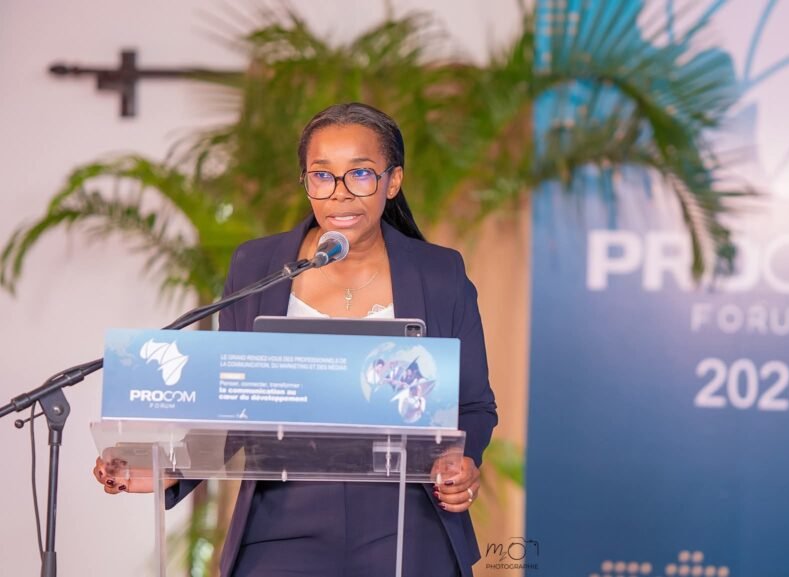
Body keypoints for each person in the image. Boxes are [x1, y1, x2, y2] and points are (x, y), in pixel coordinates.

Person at [93, 102, 499, 576]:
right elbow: (233, 406)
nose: (339, 193)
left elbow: (474, 406)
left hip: (408, 525)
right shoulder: (258, 267)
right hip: (279, 524)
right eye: (322, 176)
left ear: (392, 182)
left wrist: (460, 462)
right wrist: (169, 468)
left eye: (360, 174)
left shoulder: (440, 273)